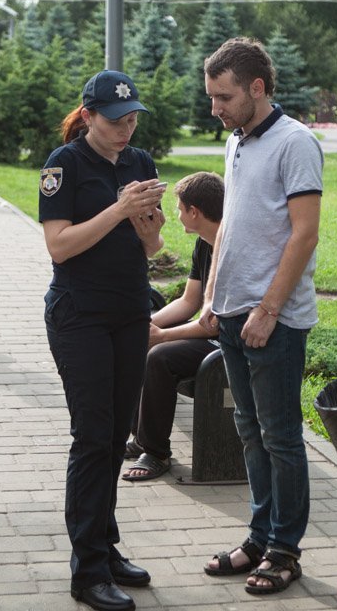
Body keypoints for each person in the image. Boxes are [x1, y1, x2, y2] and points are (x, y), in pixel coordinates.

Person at [199, 37, 323, 596]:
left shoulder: (296, 143)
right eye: (211, 97)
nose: (215, 108)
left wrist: (269, 308)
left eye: (223, 97)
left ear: (256, 88)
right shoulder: (236, 140)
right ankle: (257, 535)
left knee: (280, 436)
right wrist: (212, 296)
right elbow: (229, 224)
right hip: (230, 313)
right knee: (248, 432)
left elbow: (304, 233)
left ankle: (284, 550)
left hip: (273, 319)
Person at [39, 70, 167, 611]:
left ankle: (106, 547)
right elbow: (60, 247)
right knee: (93, 438)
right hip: (80, 315)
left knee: (117, 436)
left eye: (133, 117)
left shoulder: (140, 162)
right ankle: (87, 570)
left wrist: (146, 226)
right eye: (116, 120)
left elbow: (153, 245)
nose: (126, 128)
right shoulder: (63, 164)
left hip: (129, 311)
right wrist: (117, 208)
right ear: (88, 115)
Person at [121, 171, 224, 483]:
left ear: (194, 212)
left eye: (179, 208)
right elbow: (190, 301)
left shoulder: (231, 245)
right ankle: (141, 437)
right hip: (210, 333)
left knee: (160, 356)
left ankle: (156, 452)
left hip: (228, 344)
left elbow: (212, 326)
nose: (176, 215)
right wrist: (148, 324)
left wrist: (161, 336)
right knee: (142, 339)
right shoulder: (204, 245)